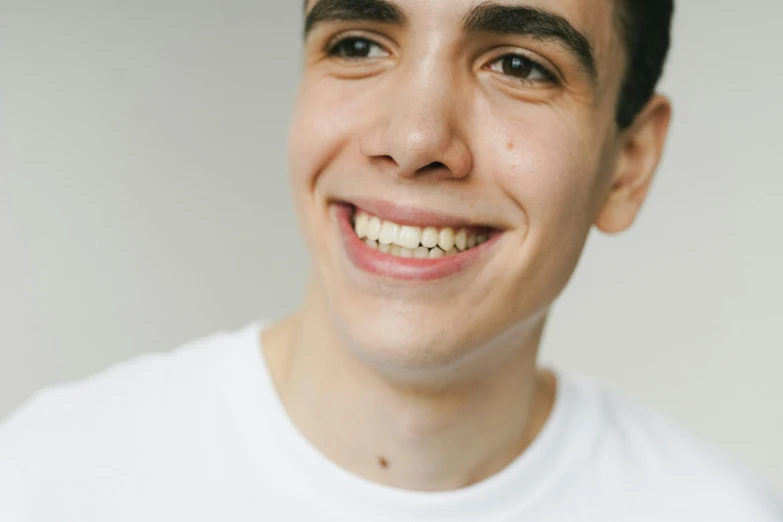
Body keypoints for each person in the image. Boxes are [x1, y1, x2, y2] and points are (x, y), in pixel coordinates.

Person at [1, 0, 781, 520]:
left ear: (628, 164)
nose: (412, 141)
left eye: (518, 65)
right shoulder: (49, 479)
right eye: (359, 43)